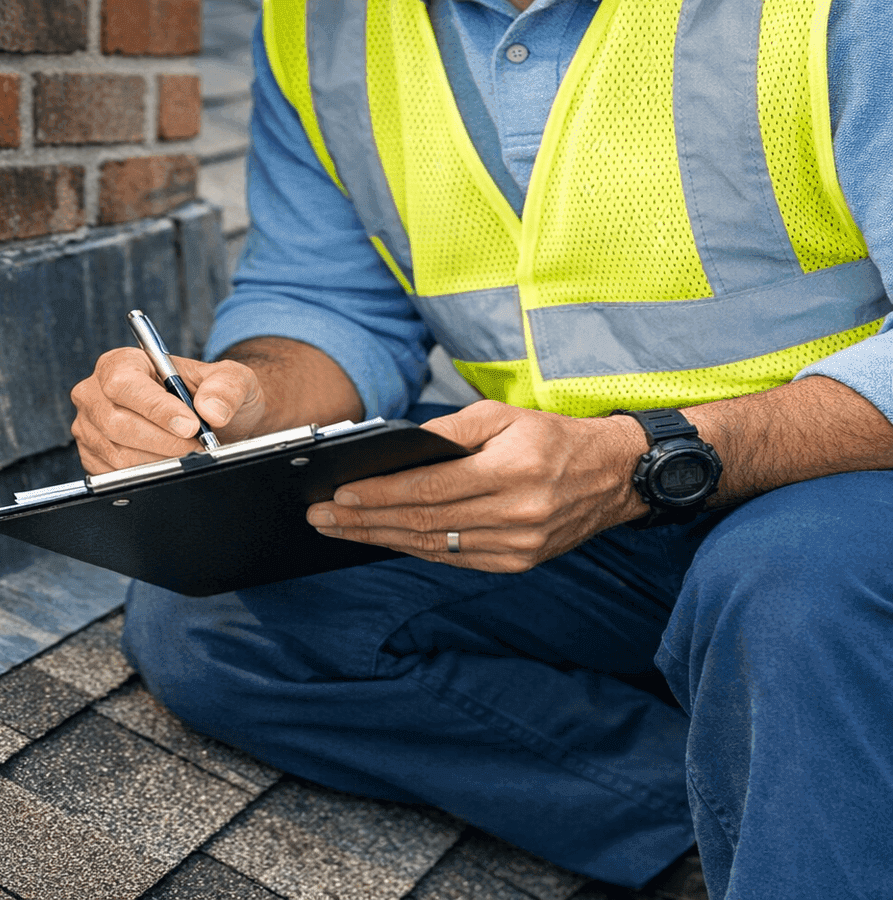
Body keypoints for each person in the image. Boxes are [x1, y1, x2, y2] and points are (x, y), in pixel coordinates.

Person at [69, 0, 893, 896]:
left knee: (790, 590)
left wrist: (637, 461)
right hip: (572, 504)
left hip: (836, 483)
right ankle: (763, 822)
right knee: (220, 614)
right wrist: (241, 403)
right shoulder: (320, 23)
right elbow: (328, 302)